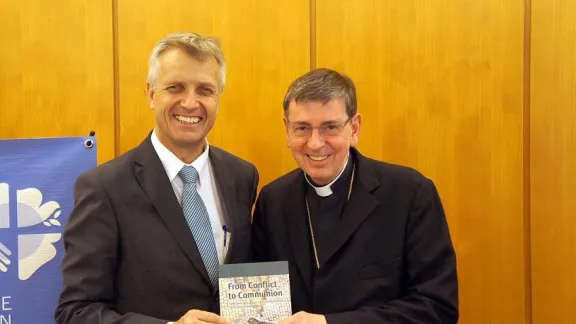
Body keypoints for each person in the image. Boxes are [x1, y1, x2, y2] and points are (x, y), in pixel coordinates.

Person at [55, 32, 258, 324]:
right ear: (151, 94)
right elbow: (75, 312)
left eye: (204, 90)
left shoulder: (241, 176)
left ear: (218, 98)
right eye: (175, 87)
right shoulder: (104, 189)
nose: (190, 103)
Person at [252, 68, 458, 324]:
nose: (315, 143)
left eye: (330, 127)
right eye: (302, 128)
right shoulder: (273, 200)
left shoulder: (410, 193)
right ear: (287, 129)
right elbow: (257, 300)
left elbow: (437, 307)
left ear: (355, 128)